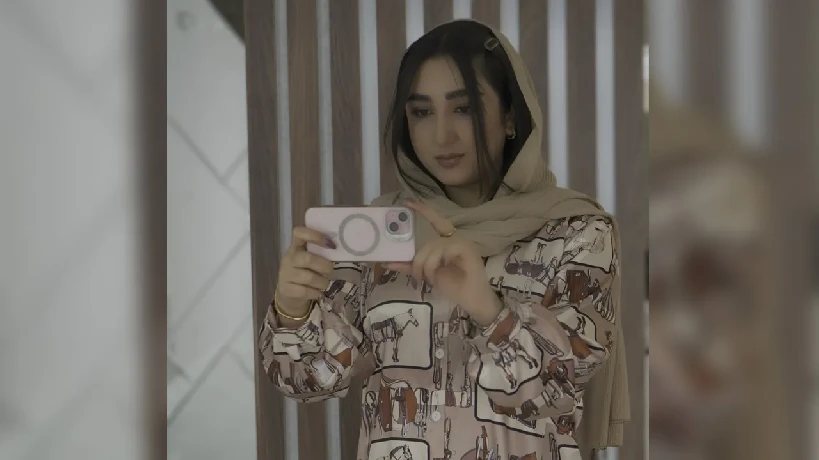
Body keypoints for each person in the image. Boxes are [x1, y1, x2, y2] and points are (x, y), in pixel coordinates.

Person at [258, 20, 628, 460]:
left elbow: (557, 392)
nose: (441, 136)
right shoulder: (382, 234)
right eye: (422, 112)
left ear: (511, 115)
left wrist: (488, 309)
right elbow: (310, 381)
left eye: (464, 108)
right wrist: (292, 310)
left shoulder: (576, 232)